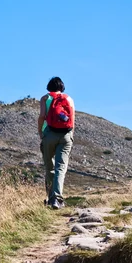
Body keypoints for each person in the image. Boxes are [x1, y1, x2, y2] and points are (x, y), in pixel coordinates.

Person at [37, 77, 75, 209]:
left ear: (49, 86)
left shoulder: (45, 98)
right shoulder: (69, 99)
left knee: (49, 167)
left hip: (49, 134)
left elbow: (42, 116)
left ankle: (50, 198)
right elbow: (72, 119)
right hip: (66, 135)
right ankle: (58, 199)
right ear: (62, 87)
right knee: (61, 168)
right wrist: (70, 136)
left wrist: (40, 132)